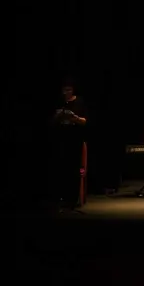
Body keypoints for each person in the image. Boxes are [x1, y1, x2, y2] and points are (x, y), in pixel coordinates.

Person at [52, 81, 88, 210]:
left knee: (73, 169)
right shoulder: (60, 102)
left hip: (75, 140)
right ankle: (61, 198)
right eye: (64, 90)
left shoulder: (80, 102)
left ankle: (72, 199)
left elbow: (85, 121)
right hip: (61, 140)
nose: (66, 92)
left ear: (73, 90)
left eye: (68, 90)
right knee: (61, 168)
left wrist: (75, 118)